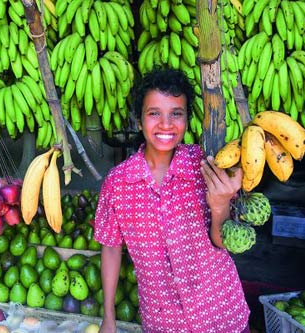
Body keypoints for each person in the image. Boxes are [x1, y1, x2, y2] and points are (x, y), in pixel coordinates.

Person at [94, 67, 250, 333]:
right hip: (163, 321)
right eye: (154, 113)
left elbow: (224, 243)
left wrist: (221, 204)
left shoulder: (206, 165)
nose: (166, 124)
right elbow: (110, 248)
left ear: (187, 120)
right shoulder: (118, 182)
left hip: (221, 313)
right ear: (139, 121)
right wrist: (108, 317)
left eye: (176, 114)